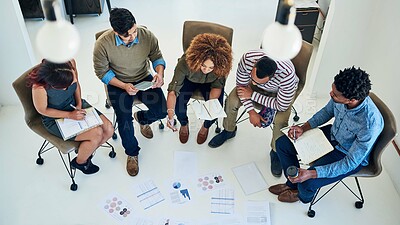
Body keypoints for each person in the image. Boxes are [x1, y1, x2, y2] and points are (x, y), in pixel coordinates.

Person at [268, 67, 383, 203]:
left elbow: (350, 163)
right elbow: (327, 112)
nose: (330, 94)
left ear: (350, 100)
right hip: (332, 135)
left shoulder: (370, 123)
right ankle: (291, 183)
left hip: (346, 154)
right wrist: (303, 127)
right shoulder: (340, 96)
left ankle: (300, 194)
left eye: (334, 94)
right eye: (332, 90)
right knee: (282, 144)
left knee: (307, 183)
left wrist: (311, 173)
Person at [93, 8, 167, 177]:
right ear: (115, 32)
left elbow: (156, 56)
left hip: (143, 78)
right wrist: (124, 85)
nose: (133, 37)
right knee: (124, 121)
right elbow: (102, 73)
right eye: (127, 35)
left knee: (162, 111)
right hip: (118, 84)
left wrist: (159, 74)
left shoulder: (146, 35)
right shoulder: (102, 45)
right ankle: (132, 153)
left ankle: (142, 118)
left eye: (134, 31)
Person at [208, 49, 298, 177]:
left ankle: (275, 151)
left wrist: (252, 95)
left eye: (258, 81)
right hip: (251, 90)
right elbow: (241, 86)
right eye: (253, 78)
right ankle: (229, 130)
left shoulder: (287, 75)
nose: (254, 82)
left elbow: (281, 105)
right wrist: (251, 112)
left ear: (273, 76)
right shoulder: (248, 58)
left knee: (280, 120)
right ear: (255, 63)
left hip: (279, 95)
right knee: (232, 100)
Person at [28, 59, 114, 175]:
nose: (70, 85)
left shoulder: (70, 63)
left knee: (109, 129)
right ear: (53, 85)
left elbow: (77, 84)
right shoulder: (39, 87)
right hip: (55, 117)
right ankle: (80, 162)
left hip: (74, 105)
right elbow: (42, 110)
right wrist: (69, 115)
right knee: (97, 133)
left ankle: (86, 150)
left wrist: (78, 104)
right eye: (65, 86)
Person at [166, 33, 233, 144]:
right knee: (178, 105)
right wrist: (170, 114)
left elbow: (217, 87)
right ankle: (183, 123)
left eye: (211, 67)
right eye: (203, 66)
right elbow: (173, 91)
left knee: (216, 109)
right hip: (189, 80)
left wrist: (211, 105)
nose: (206, 70)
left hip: (210, 84)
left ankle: (205, 127)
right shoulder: (184, 63)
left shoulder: (222, 66)